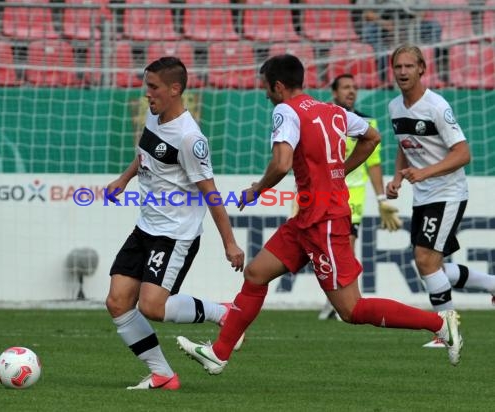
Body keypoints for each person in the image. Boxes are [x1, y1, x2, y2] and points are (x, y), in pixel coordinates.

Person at [176, 54, 463, 375]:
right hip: (307, 219)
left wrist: (258, 189)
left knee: (351, 309)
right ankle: (219, 352)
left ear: (279, 86)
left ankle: (439, 323)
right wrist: (340, 170)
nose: (265, 94)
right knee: (256, 273)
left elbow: (283, 162)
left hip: (325, 220)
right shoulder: (331, 110)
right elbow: (372, 137)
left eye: (266, 88)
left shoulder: (285, 110)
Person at [105, 56, 245, 390]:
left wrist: (229, 242)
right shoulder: (155, 118)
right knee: (117, 302)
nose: (146, 94)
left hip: (175, 235)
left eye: (152, 88)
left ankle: (222, 312)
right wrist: (123, 180)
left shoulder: (189, 138)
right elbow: (145, 154)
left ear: (174, 89)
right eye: (146, 86)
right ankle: (163, 375)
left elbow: (211, 193)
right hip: (146, 227)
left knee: (152, 306)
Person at [386, 44, 495, 347]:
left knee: (425, 260)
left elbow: (463, 153)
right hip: (423, 195)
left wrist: (425, 173)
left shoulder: (436, 106)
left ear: (422, 69)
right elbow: (404, 144)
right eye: (398, 67)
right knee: (431, 264)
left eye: (409, 66)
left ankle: (448, 331)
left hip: (448, 192)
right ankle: (492, 285)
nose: (403, 72)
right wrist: (397, 178)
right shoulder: (395, 107)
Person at [318, 73, 403, 320]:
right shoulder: (325, 119)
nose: (351, 91)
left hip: (351, 198)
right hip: (323, 193)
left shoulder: (367, 123)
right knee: (323, 247)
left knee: (346, 245)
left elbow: (373, 164)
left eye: (354, 87)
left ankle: (340, 301)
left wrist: (380, 199)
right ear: (334, 92)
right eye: (345, 87)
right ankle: (335, 299)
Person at [356, 0, 441, 83]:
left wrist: (406, 28)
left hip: (412, 25)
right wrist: (384, 23)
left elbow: (422, 13)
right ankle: (383, 76)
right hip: (383, 26)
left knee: (434, 27)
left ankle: (434, 72)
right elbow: (367, 13)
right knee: (369, 30)